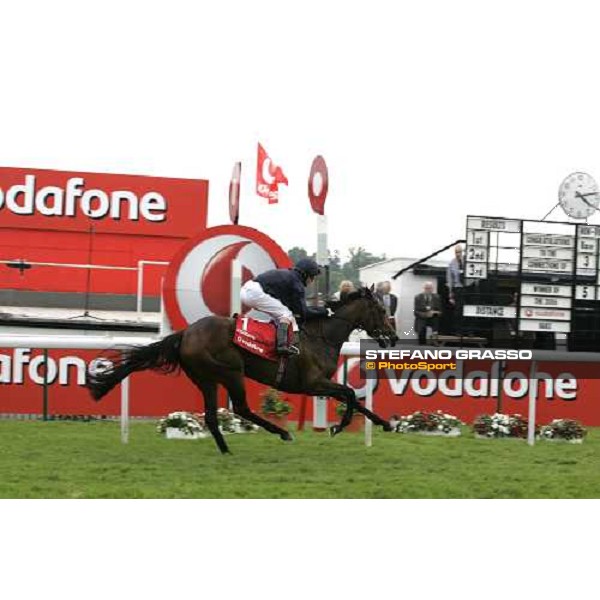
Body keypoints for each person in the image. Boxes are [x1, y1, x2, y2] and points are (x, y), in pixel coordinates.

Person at [240, 258, 328, 355]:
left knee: (281, 313)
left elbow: (298, 309)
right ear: (305, 274)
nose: (312, 280)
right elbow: (303, 313)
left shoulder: (290, 276)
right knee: (285, 314)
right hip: (254, 293)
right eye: (312, 277)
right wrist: (325, 312)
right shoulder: (297, 285)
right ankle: (281, 346)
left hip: (248, 288)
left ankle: (271, 338)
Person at [447, 245, 465, 334]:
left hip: (468, 288)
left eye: (460, 252)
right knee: (458, 310)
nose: (458, 254)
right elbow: (450, 279)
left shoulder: (468, 261)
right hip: (458, 288)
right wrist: (450, 292)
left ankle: (469, 331)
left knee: (468, 310)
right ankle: (458, 331)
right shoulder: (452, 263)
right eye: (456, 252)